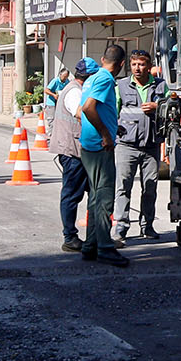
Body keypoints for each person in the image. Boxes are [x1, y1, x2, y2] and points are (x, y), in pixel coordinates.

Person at [77, 42, 126, 268]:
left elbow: (79, 112)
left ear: (103, 58)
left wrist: (111, 126)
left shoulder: (90, 79)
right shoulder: (106, 79)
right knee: (105, 197)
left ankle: (91, 245)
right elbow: (88, 108)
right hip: (99, 146)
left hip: (88, 144)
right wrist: (106, 133)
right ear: (121, 64)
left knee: (95, 197)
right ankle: (105, 248)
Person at [113, 49, 169, 243]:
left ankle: (148, 226)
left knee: (150, 188)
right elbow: (114, 112)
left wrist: (157, 106)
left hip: (151, 146)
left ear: (149, 66)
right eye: (134, 64)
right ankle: (120, 227)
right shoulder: (120, 85)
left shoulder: (161, 86)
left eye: (142, 64)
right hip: (126, 145)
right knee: (123, 187)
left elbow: (172, 108)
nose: (138, 68)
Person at [47, 59, 92, 253]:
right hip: (72, 151)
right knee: (72, 194)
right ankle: (70, 237)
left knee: (93, 192)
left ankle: (95, 235)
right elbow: (81, 114)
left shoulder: (77, 89)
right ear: (88, 77)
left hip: (80, 149)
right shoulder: (74, 92)